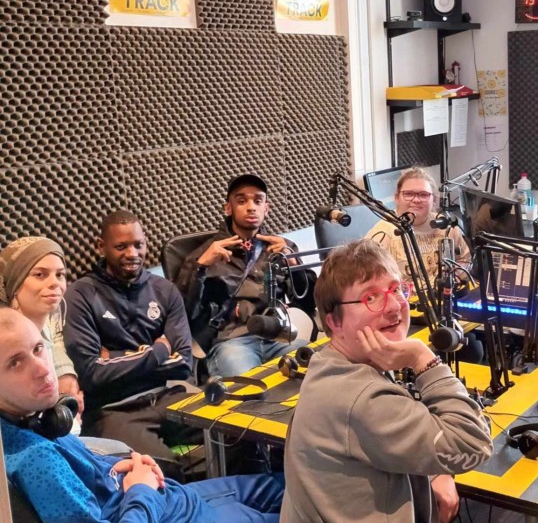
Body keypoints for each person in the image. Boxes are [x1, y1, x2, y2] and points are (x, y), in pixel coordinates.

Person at [0, 306, 284, 522]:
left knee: (286, 483)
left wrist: (114, 467)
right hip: (168, 512)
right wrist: (141, 490)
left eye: (38, 349)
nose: (42, 369)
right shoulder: (37, 461)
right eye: (15, 363)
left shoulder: (37, 420)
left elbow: (85, 476)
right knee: (304, 508)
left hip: (170, 498)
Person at [281, 240, 493, 523]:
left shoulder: (332, 362)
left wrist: (437, 470)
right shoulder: (361, 396)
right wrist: (422, 358)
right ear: (334, 322)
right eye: (371, 298)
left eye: (396, 289)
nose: (394, 306)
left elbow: (389, 438)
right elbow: (473, 444)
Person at [64, 210, 199, 475]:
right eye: (121, 247)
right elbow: (93, 372)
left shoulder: (165, 290)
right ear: (101, 247)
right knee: (162, 468)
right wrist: (159, 350)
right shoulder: (80, 295)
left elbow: (183, 362)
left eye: (138, 245)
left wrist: (114, 357)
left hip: (166, 397)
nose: (132, 254)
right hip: (114, 411)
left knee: (237, 434)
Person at [175, 174, 312, 378]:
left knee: (315, 368)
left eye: (258, 201)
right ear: (228, 208)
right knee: (251, 387)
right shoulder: (206, 254)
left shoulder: (282, 248)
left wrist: (293, 263)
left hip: (277, 335)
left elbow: (309, 303)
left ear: (266, 208)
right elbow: (182, 313)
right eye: (241, 201)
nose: (251, 207)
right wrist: (200, 267)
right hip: (231, 342)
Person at [0, 237, 82, 418]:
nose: (55, 283)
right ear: (14, 283)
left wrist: (67, 374)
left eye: (60, 274)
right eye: (40, 275)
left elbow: (55, 345)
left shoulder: (49, 325)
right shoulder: (6, 337)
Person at [367, 167, 471, 284]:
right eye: (408, 194)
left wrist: (455, 275)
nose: (416, 200)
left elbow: (465, 259)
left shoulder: (445, 225)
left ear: (434, 200)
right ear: (396, 198)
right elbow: (368, 279)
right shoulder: (382, 233)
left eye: (423, 195)